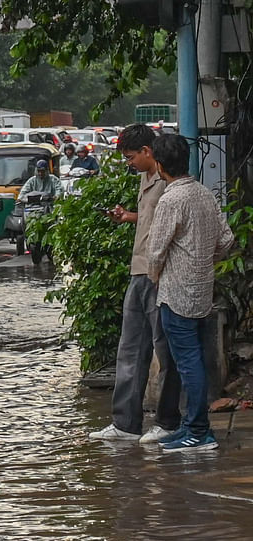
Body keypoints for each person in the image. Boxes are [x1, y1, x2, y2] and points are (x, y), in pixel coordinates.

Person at [90, 124, 181, 444]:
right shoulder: (145, 177)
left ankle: (168, 421)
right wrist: (127, 216)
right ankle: (126, 424)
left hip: (159, 274)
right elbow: (150, 220)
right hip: (139, 271)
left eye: (131, 157)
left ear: (148, 152)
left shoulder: (169, 179)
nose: (128, 163)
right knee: (129, 350)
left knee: (165, 351)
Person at [144, 133, 235, 452]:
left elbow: (154, 253)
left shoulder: (171, 199)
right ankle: (193, 427)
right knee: (194, 359)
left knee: (188, 363)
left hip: (175, 293)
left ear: (158, 164)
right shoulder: (203, 193)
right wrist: (202, 261)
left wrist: (157, 278)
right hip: (201, 290)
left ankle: (198, 430)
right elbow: (226, 241)